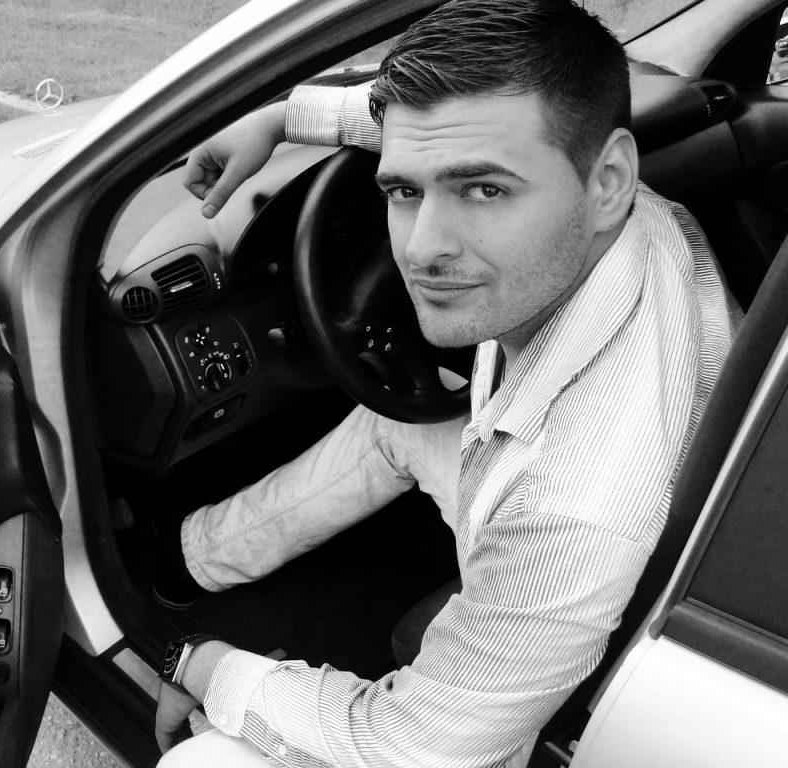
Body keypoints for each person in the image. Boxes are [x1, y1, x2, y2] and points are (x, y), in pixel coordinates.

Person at [153, 1, 740, 766]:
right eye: (403, 192)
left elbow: (411, 747)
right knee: (400, 418)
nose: (423, 249)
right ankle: (194, 557)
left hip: (562, 655)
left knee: (204, 760)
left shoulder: (568, 508)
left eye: (483, 193)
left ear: (608, 179)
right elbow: (438, 134)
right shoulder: (633, 208)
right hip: (652, 521)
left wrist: (200, 665)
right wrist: (282, 117)